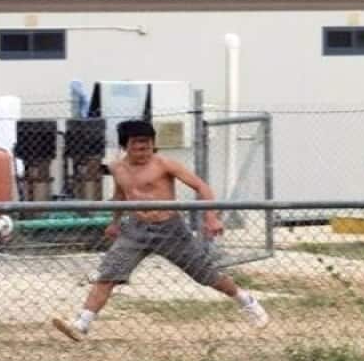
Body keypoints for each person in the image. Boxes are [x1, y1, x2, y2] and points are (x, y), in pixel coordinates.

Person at [52, 120, 269, 342]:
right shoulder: (117, 168)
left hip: (170, 229)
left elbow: (201, 187)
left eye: (147, 145)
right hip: (135, 230)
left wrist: (211, 217)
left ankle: (246, 301)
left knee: (206, 275)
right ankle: (82, 323)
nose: (143, 150)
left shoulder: (164, 164)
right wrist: (115, 222)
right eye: (137, 145)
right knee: (109, 273)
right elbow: (120, 196)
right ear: (125, 145)